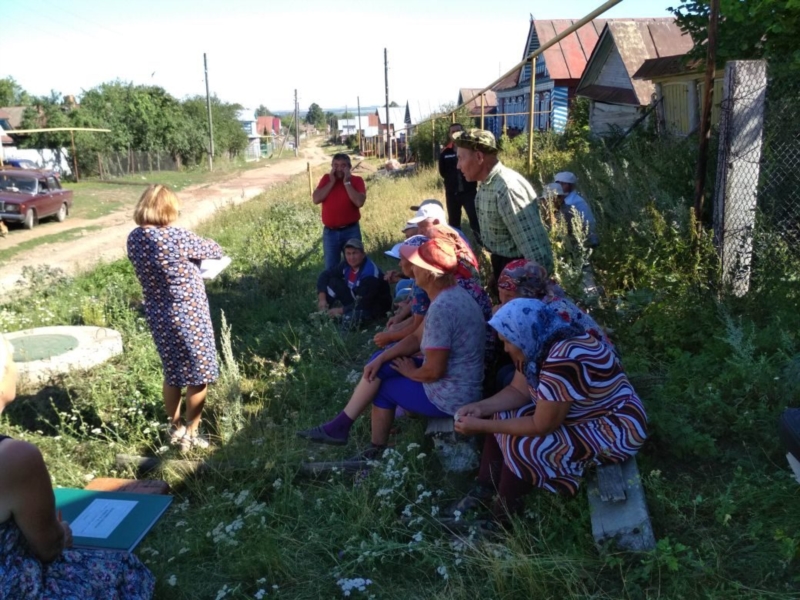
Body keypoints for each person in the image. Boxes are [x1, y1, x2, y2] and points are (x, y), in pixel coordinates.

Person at [452, 299, 648, 522]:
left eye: (507, 342)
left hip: (614, 426)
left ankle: (502, 519)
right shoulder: (539, 340)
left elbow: (542, 425)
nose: (506, 349)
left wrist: (482, 426)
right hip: (585, 415)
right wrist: (480, 408)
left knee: (524, 446)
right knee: (501, 416)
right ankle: (485, 489)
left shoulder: (563, 361)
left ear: (521, 334)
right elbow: (518, 391)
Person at [297, 238, 486, 457]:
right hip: (459, 381)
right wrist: (381, 357)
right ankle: (341, 426)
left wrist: (410, 372)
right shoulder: (450, 293)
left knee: (385, 389)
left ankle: (373, 450)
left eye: (416, 264)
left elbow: (434, 371)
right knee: (383, 363)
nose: (411, 269)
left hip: (451, 397)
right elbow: (416, 337)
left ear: (430, 273)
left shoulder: (442, 309)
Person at [0, 336, 155, 599]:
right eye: (12, 362)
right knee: (122, 571)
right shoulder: (14, 457)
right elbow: (48, 548)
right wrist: (62, 532)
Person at [127, 184, 222, 452]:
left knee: (173, 373)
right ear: (168, 209)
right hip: (189, 313)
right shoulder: (176, 237)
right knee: (198, 375)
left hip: (159, 315)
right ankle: (191, 433)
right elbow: (214, 249)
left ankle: (176, 426)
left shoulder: (134, 238)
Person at [493, 259, 614, 390]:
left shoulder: (547, 313)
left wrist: (503, 322)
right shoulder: (541, 301)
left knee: (507, 379)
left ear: (528, 292)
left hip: (593, 378)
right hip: (570, 371)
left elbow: (526, 360)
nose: (504, 302)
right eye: (501, 293)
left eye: (509, 295)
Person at [454, 128, 553, 284]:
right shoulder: (487, 185)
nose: (458, 166)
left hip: (523, 280)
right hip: (505, 270)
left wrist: (528, 295)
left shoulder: (507, 189)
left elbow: (536, 254)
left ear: (479, 157)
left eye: (460, 158)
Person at [316, 238, 392, 324]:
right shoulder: (346, 264)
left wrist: (341, 310)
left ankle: (338, 321)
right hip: (357, 298)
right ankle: (323, 312)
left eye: (355, 253)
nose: (351, 257)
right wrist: (322, 298)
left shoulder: (369, 274)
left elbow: (364, 303)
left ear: (363, 254)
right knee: (333, 281)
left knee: (347, 320)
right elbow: (325, 275)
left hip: (373, 306)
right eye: (348, 253)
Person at [312, 153, 367, 270]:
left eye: (343, 165)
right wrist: (331, 182)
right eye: (336, 165)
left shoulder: (357, 181)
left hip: (351, 230)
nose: (339, 169)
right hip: (330, 233)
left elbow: (359, 202)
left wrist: (347, 182)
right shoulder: (327, 179)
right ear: (332, 167)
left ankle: (356, 287)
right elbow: (316, 199)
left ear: (349, 167)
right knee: (331, 268)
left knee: (356, 265)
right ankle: (334, 288)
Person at [439, 123, 480, 242]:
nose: (455, 133)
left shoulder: (470, 150)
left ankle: (482, 246)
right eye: (453, 132)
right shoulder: (445, 152)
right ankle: (457, 248)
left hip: (469, 193)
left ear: (463, 132)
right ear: (449, 135)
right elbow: (442, 172)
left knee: (475, 220)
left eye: (458, 131)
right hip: (452, 194)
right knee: (453, 224)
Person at [554, 171, 598, 246]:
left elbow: (588, 224)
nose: (560, 186)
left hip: (585, 240)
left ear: (570, 186)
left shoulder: (576, 201)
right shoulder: (561, 199)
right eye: (558, 184)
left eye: (563, 184)